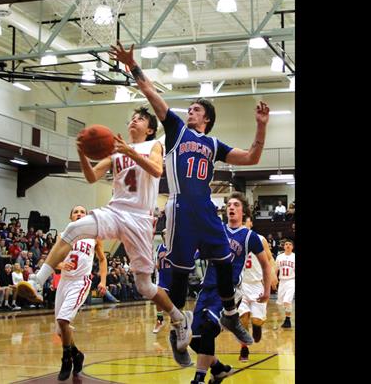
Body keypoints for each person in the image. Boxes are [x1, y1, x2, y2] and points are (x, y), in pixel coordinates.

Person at [109, 41, 270, 347]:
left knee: (224, 263)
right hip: (180, 208)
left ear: (206, 118)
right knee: (180, 277)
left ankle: (231, 315)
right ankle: (177, 326)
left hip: (206, 209)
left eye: (195, 109)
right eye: (190, 109)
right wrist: (132, 65)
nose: (190, 112)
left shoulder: (213, 144)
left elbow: (251, 158)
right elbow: (150, 93)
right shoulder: (176, 130)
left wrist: (261, 127)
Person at [34, 107, 193, 367]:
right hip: (114, 210)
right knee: (73, 230)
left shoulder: (154, 145)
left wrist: (128, 151)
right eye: (132, 118)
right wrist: (82, 154)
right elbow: (91, 177)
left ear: (150, 129)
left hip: (140, 218)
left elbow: (156, 171)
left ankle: (178, 317)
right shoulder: (114, 149)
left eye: (140, 118)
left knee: (144, 286)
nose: (134, 121)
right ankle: (37, 281)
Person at [189, 192, 271, 384]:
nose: (231, 208)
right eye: (229, 205)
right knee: (193, 337)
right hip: (207, 288)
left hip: (228, 293)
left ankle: (199, 378)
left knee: (209, 329)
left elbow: (266, 264)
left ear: (243, 211)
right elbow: (199, 251)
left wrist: (267, 291)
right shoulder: (217, 229)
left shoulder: (250, 236)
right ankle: (218, 369)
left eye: (236, 205)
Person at [53, 205, 108, 381]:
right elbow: (53, 260)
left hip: (80, 281)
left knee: (63, 320)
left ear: (86, 217)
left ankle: (66, 359)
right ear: (71, 217)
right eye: (75, 212)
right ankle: (77, 354)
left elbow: (102, 259)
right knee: (61, 330)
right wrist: (60, 265)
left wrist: (104, 280)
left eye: (82, 212)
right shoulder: (63, 236)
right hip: (64, 282)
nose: (79, 214)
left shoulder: (94, 236)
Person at [237, 216, 278, 362]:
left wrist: (273, 272)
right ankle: (244, 348)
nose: (242, 223)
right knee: (243, 318)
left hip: (256, 284)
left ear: (251, 223)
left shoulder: (260, 239)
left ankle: (257, 326)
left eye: (245, 220)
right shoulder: (232, 239)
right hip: (240, 285)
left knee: (256, 320)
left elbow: (270, 259)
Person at [153, 228, 172, 334]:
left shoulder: (175, 246)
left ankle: (177, 321)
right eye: (164, 232)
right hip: (163, 277)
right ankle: (159, 320)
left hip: (173, 276)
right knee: (158, 298)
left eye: (167, 232)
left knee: (174, 301)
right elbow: (157, 264)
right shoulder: (160, 247)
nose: (166, 234)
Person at [275, 239, 295, 328]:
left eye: (290, 244)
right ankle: (287, 318)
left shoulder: (294, 256)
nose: (287, 245)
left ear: (292, 247)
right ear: (284, 246)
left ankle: (288, 320)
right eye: (286, 244)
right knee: (281, 302)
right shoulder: (279, 257)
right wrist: (274, 279)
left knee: (287, 301)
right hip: (282, 281)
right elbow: (276, 269)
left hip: (291, 280)